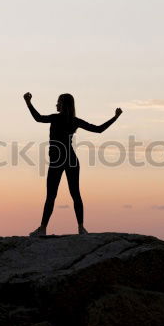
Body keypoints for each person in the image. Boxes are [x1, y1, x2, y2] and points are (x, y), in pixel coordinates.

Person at [24, 92, 122, 236]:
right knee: (75, 194)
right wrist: (115, 117)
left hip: (58, 160)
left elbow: (38, 118)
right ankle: (81, 228)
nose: (56, 104)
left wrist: (28, 102)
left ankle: (43, 229)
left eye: (58, 102)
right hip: (71, 159)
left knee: (51, 195)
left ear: (63, 104)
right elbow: (99, 129)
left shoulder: (56, 118)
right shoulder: (74, 121)